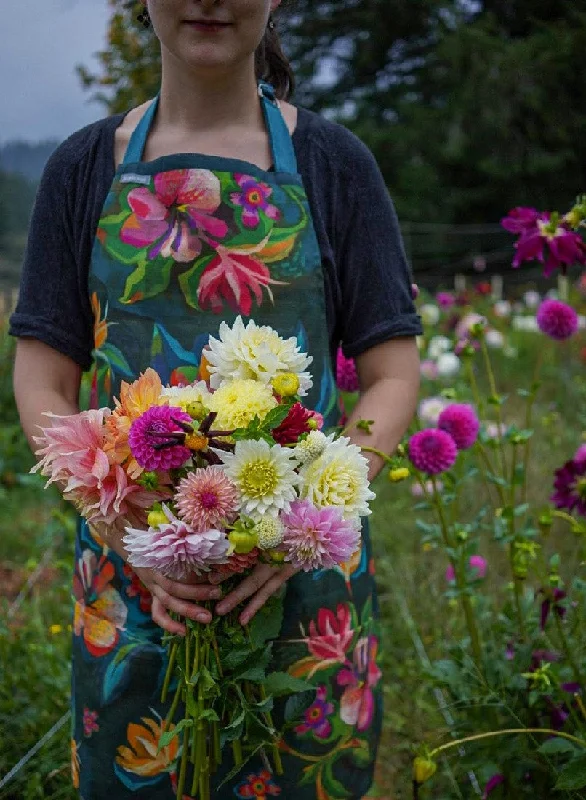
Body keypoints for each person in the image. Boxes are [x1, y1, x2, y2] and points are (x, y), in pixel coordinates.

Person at [10, 1, 421, 797]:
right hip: (132, 582)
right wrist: (115, 527)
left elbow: (393, 372)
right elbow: (41, 379)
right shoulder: (84, 168)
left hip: (303, 591)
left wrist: (307, 526)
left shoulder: (335, 163)